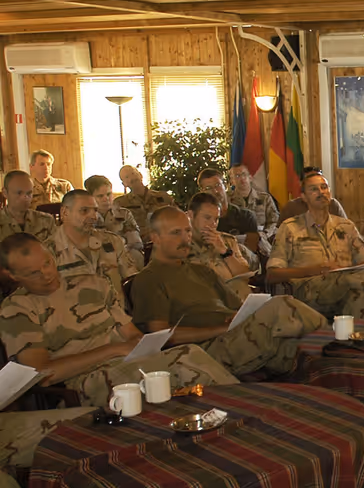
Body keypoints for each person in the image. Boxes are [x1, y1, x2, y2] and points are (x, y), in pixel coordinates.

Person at [0, 234, 238, 406]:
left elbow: (131, 333)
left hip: (127, 362)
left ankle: (237, 408)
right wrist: (113, 350)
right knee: (183, 361)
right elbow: (43, 372)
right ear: (12, 275)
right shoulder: (17, 309)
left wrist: (143, 345)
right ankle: (241, 407)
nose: (47, 274)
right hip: (84, 381)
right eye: (33, 273)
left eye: (47, 263)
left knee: (187, 353)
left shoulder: (92, 284)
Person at [128, 207, 327, 377]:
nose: (185, 238)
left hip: (236, 337)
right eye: (176, 233)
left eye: (188, 231)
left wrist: (242, 317)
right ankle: (337, 336)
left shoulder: (201, 270)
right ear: (155, 238)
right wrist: (222, 329)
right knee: (280, 305)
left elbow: (238, 309)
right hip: (206, 350)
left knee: (299, 349)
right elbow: (163, 337)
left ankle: (332, 356)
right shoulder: (149, 279)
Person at [267, 171, 364, 318]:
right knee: (358, 284)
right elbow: (273, 274)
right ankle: (360, 333)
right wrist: (315, 270)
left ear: (329, 193)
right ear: (303, 197)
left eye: (324, 187)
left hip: (348, 282)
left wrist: (346, 270)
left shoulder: (345, 226)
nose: (321, 192)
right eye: (314, 189)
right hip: (309, 289)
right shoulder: (290, 228)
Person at [47, 189, 138, 297]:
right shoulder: (48, 251)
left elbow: (133, 282)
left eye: (95, 210)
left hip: (116, 311)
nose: (93, 216)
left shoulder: (112, 241)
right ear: (65, 212)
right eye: (84, 211)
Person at [186, 192, 259, 301]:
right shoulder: (180, 245)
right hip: (205, 302)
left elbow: (245, 276)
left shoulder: (227, 241)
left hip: (237, 299)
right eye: (207, 218)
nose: (213, 224)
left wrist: (224, 252)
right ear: (191, 215)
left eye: (216, 219)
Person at [198, 168, 261, 255]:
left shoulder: (246, 216)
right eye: (208, 188)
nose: (215, 191)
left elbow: (251, 251)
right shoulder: (199, 220)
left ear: (226, 185)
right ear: (202, 191)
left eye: (217, 185)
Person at [84, 174, 144, 267]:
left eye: (108, 194)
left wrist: (123, 252)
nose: (106, 199)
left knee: (136, 255)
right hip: (98, 257)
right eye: (100, 196)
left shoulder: (124, 214)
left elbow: (135, 242)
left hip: (125, 253)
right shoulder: (85, 218)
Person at [114, 165, 176, 239]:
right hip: (138, 246)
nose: (132, 178)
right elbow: (117, 230)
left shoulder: (163, 197)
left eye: (133, 173)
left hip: (165, 242)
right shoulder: (120, 203)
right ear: (124, 184)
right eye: (127, 177)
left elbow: (178, 218)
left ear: (140, 175)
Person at [228, 163, 280, 247]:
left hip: (262, 241)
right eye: (237, 176)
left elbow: (274, 220)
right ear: (232, 181)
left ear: (250, 177)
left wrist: (265, 234)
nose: (242, 179)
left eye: (244, 174)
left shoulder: (265, 198)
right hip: (236, 243)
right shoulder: (227, 200)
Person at [0, 170, 56, 243]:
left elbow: (55, 251)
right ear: (5, 193)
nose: (25, 198)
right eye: (19, 193)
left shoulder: (46, 221)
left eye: (29, 193)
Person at [278, 166, 348, 224]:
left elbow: (346, 228)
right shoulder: (292, 207)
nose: (320, 192)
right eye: (313, 188)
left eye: (323, 187)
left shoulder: (333, 204)